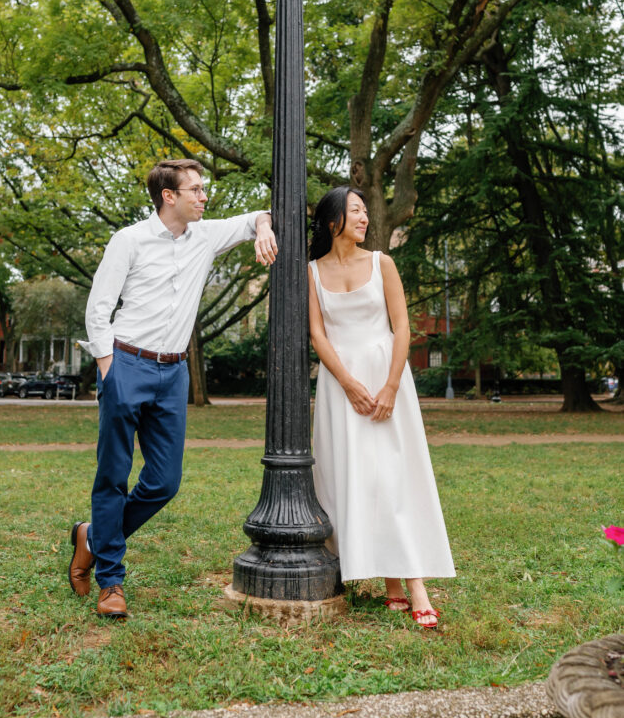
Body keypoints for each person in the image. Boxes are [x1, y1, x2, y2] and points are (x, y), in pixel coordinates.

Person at [69, 158, 277, 619]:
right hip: (126, 364)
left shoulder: (205, 235)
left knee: (164, 482)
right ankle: (111, 583)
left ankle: (92, 537)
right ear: (170, 196)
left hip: (173, 374)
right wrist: (109, 368)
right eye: (196, 190)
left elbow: (255, 217)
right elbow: (98, 307)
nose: (204, 197)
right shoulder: (129, 240)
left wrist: (263, 228)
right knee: (113, 476)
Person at [308, 186, 454, 628]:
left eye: (365, 211)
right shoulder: (310, 272)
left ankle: (415, 585)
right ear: (333, 220)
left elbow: (402, 324)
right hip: (340, 385)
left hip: (387, 376)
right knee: (354, 477)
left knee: (394, 476)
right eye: (356, 211)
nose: (365, 218)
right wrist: (348, 383)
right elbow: (318, 335)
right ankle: (387, 583)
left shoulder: (382, 263)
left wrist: (390, 386)